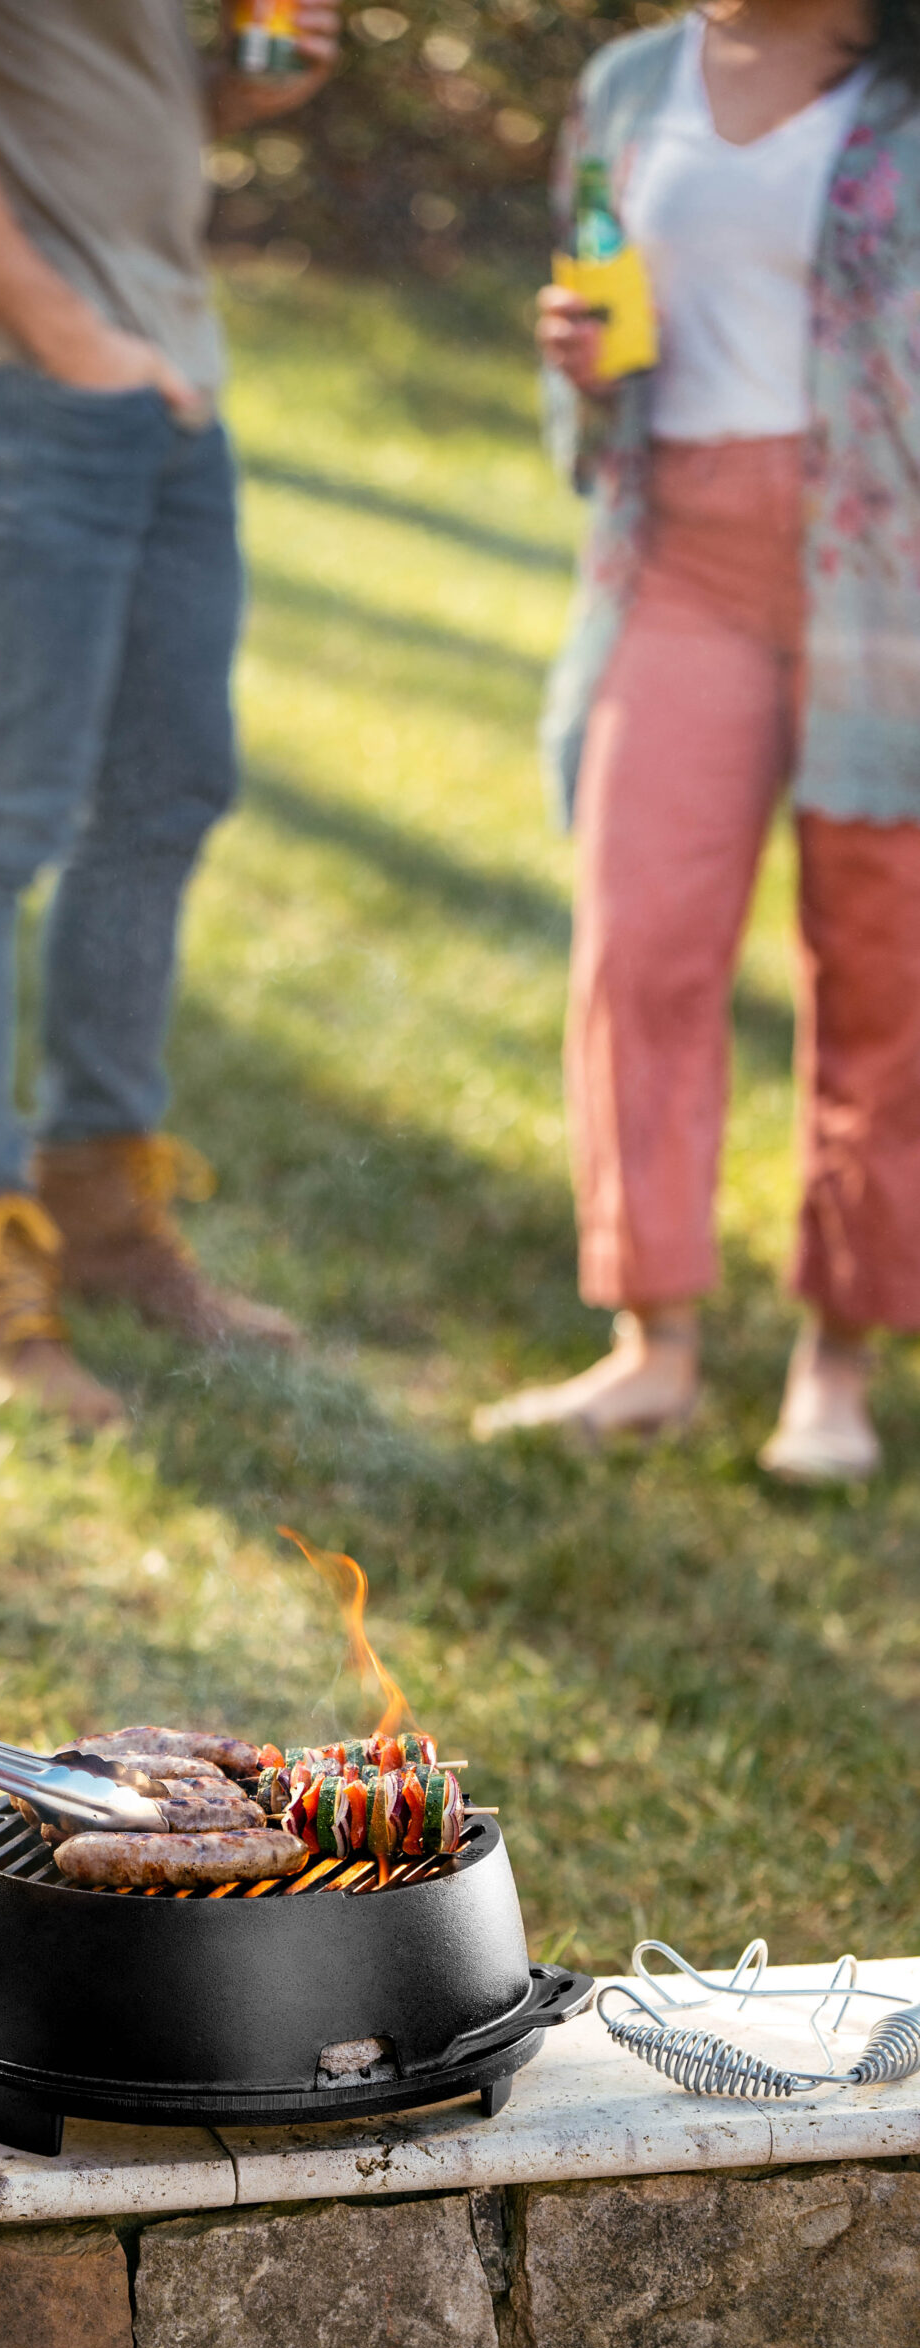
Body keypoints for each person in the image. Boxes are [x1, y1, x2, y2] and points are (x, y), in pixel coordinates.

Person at [0, 0, 339, 1428]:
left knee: (167, 796)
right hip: (17, 377)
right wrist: (63, 330)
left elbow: (80, 92)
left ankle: (102, 1212)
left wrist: (234, 95)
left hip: (168, 376)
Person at [474, 0, 920, 1483]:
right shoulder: (632, 84)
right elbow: (591, 342)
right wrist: (579, 365)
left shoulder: (903, 84)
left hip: (890, 578)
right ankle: (651, 1346)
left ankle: (836, 1361)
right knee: (641, 943)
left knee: (881, 968)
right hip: (675, 557)